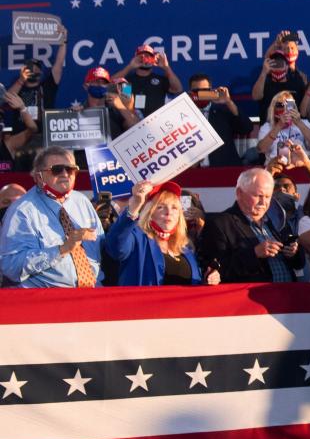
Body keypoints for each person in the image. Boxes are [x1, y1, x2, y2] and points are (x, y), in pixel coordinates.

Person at [0, 147, 105, 287]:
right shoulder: (22, 211)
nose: (65, 174)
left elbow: (105, 250)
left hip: (93, 292)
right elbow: (11, 267)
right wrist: (61, 249)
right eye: (57, 169)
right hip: (48, 299)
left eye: (70, 169)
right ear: (39, 176)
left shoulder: (82, 202)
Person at [103, 180, 219, 286]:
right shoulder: (137, 238)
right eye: (160, 207)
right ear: (150, 213)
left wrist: (208, 280)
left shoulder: (185, 247)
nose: (168, 212)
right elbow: (115, 247)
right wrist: (133, 208)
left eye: (174, 208)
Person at [198, 168, 304, 283]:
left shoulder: (276, 220)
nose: (263, 202)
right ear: (239, 193)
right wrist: (255, 253)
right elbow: (217, 271)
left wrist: (294, 253)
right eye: (258, 195)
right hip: (250, 298)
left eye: (268, 197)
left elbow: (299, 264)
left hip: (288, 294)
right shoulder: (219, 224)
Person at [187, 75, 252, 167]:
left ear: (211, 91)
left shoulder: (222, 110)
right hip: (196, 172)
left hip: (224, 170)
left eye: (204, 91)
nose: (200, 94)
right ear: (190, 93)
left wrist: (228, 102)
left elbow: (246, 128)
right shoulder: (184, 115)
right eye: (196, 91)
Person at [115, 44, 183, 115]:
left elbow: (177, 89)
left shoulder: (160, 80)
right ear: (135, 59)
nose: (145, 59)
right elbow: (110, 85)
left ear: (154, 59)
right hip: (133, 122)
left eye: (148, 56)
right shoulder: (128, 81)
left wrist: (166, 67)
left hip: (156, 122)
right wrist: (130, 66)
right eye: (141, 57)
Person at [256, 90, 310, 164]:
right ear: (273, 109)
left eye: (289, 105)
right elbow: (261, 149)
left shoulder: (304, 123)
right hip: (276, 166)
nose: (284, 109)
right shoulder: (266, 127)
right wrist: (279, 126)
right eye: (280, 105)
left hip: (301, 165)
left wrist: (299, 123)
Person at [252, 39, 309, 120]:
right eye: (274, 63)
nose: (277, 67)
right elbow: (255, 97)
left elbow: (303, 110)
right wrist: (264, 72)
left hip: (291, 127)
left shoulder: (296, 82)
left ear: (286, 66)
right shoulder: (264, 81)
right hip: (269, 127)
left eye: (280, 63)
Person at [80, 67, 140, 138]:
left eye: (103, 82)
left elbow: (138, 128)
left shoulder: (116, 109)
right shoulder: (80, 111)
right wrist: (75, 116)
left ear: (107, 86)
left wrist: (121, 107)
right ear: (86, 86)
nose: (100, 84)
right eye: (95, 81)